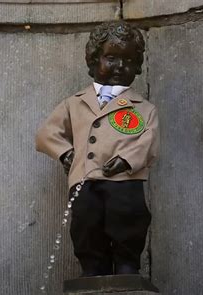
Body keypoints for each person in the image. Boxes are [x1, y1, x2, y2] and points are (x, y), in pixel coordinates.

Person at [36, 21, 159, 277]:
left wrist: (126, 160)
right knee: (85, 224)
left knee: (129, 220)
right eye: (111, 57)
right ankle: (92, 268)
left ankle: (127, 265)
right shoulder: (75, 103)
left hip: (125, 180)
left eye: (127, 59)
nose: (119, 66)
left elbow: (149, 141)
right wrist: (64, 152)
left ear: (137, 66)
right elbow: (48, 132)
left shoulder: (143, 108)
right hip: (85, 178)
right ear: (94, 61)